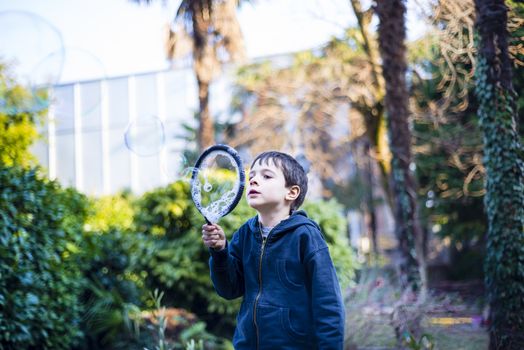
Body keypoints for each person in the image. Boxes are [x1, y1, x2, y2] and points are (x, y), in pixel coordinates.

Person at [201, 151, 345, 349]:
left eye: (266, 176)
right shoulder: (244, 234)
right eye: (251, 177)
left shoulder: (305, 236)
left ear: (291, 192)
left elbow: (328, 303)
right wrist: (219, 252)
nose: (254, 181)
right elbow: (228, 289)